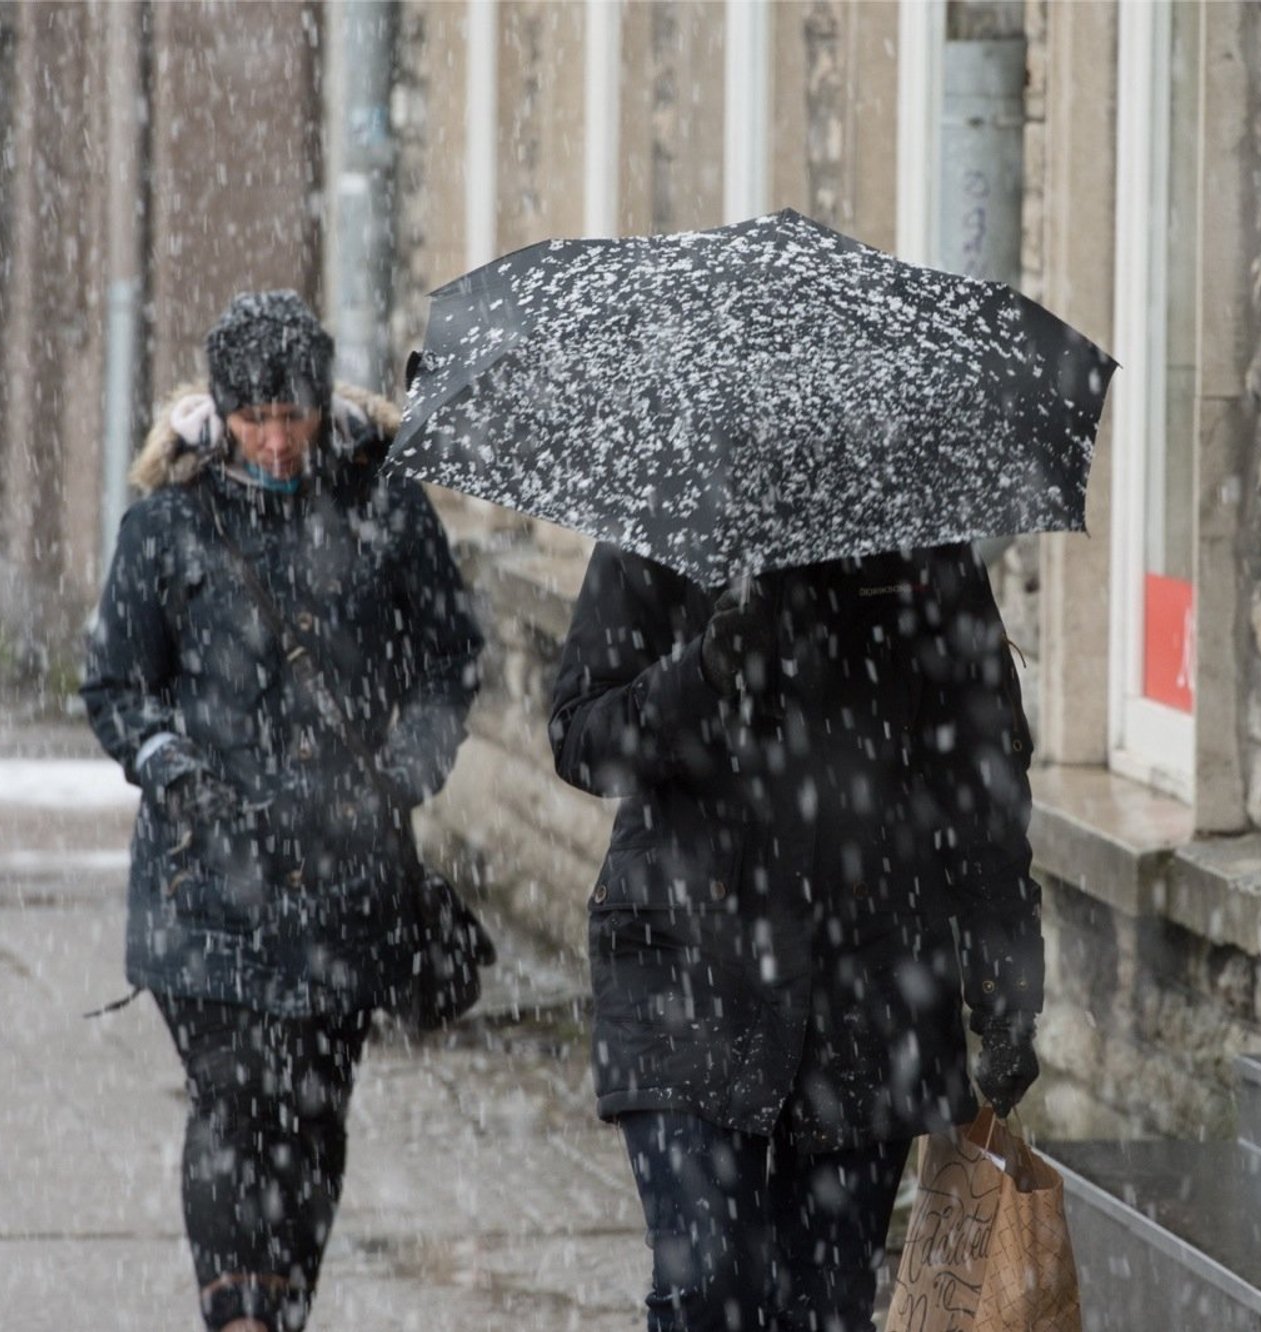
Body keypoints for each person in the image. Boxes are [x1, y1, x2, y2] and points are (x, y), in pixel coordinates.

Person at [82, 290, 483, 1332]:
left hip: (344, 879)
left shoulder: (382, 510)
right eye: (253, 417)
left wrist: (400, 773)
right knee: (230, 1100)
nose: (273, 439)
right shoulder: (168, 526)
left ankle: (283, 1305)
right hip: (203, 879)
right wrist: (174, 768)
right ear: (218, 413)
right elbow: (115, 686)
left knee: (308, 1115)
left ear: (320, 404)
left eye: (290, 416)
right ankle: (239, 1316)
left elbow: (448, 662)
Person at [549, 542, 1043, 1332]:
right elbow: (580, 735)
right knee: (708, 1282)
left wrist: (1007, 981)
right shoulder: (664, 533)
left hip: (871, 977)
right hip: (685, 965)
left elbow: (982, 775)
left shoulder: (917, 542)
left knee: (827, 1302)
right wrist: (698, 677)